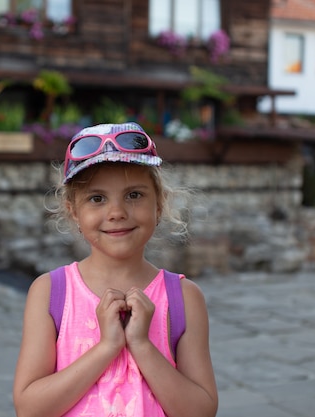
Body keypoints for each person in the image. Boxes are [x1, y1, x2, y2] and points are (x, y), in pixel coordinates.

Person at [13, 122, 218, 417]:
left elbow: (201, 411)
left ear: (158, 204)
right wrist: (107, 347)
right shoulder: (51, 293)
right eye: (97, 199)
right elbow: (29, 409)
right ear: (74, 211)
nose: (117, 212)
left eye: (134, 195)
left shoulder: (183, 298)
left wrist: (142, 345)